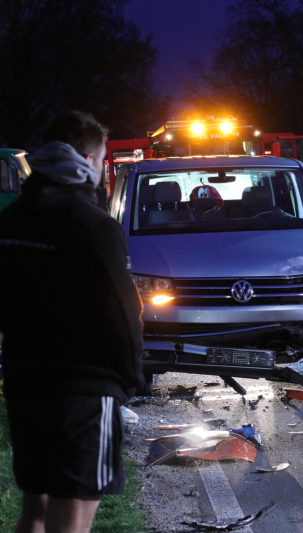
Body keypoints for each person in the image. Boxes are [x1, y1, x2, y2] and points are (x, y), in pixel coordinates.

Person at [0, 111, 144, 533]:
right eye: (102, 162)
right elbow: (123, 313)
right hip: (86, 388)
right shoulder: (94, 226)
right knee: (73, 518)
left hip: (26, 383)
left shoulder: (10, 222)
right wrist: (130, 378)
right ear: (85, 159)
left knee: (36, 510)